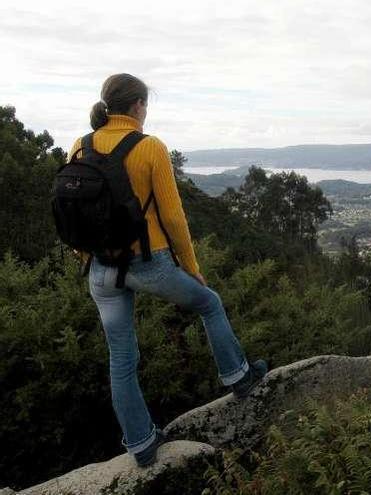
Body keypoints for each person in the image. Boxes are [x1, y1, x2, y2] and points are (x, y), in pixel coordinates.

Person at [69, 73, 268, 468]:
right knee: (209, 304)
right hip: (149, 262)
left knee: (121, 357)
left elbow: (70, 211)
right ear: (138, 106)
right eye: (146, 105)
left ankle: (141, 444)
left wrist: (86, 258)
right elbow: (174, 217)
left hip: (101, 270)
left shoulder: (80, 145)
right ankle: (238, 378)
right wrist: (191, 267)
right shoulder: (150, 147)